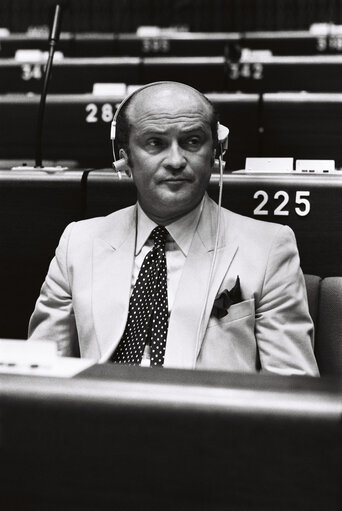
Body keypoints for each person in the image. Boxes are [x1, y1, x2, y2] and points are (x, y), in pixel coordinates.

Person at [28, 81, 319, 376]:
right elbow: (39, 374)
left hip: (213, 419)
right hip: (99, 416)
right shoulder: (78, 244)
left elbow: (293, 386)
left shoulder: (269, 248)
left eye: (192, 141)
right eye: (155, 143)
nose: (177, 161)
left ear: (216, 152)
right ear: (124, 157)